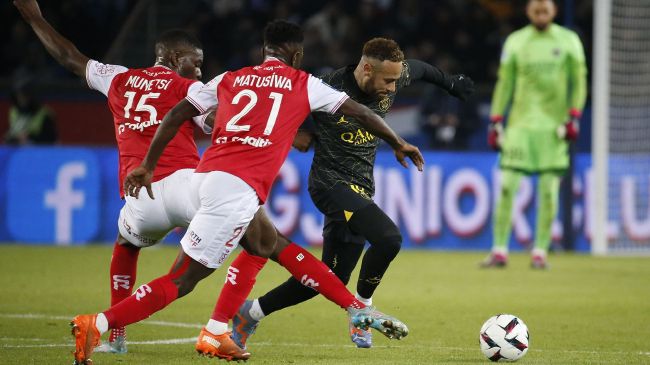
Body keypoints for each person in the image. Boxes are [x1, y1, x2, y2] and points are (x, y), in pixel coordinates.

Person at [14, 2, 410, 361]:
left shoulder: (159, 79)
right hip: (209, 187)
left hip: (163, 190)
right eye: (194, 62)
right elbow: (357, 111)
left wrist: (34, 16)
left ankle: (196, 331)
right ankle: (101, 324)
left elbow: (72, 59)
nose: (199, 70)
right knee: (185, 279)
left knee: (261, 240)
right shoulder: (287, 83)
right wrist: (395, 141)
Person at [227, 37, 475, 349]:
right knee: (389, 239)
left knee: (327, 279)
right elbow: (277, 108)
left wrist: (451, 84)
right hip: (329, 185)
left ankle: (251, 312)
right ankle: (363, 309)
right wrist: (294, 134)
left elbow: (423, 70)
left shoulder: (393, 74)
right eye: (388, 80)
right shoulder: (326, 86)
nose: (394, 87)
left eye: (398, 80)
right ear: (367, 68)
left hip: (361, 189)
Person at [481, 0, 587, 269]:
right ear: (529, 10)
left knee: (549, 192)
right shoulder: (516, 41)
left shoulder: (569, 40)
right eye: (536, 8)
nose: (541, 12)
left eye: (546, 8)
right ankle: (499, 250)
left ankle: (540, 251)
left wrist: (574, 116)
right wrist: (496, 120)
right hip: (520, 125)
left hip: (554, 128)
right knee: (506, 188)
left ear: (554, 10)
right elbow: (505, 83)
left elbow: (580, 80)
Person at [5, 79, 57, 145]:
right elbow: (11, 134)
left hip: (39, 151)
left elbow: (51, 139)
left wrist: (29, 137)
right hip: (18, 151)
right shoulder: (14, 111)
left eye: (24, 96)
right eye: (18, 96)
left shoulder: (44, 114)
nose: (21, 100)